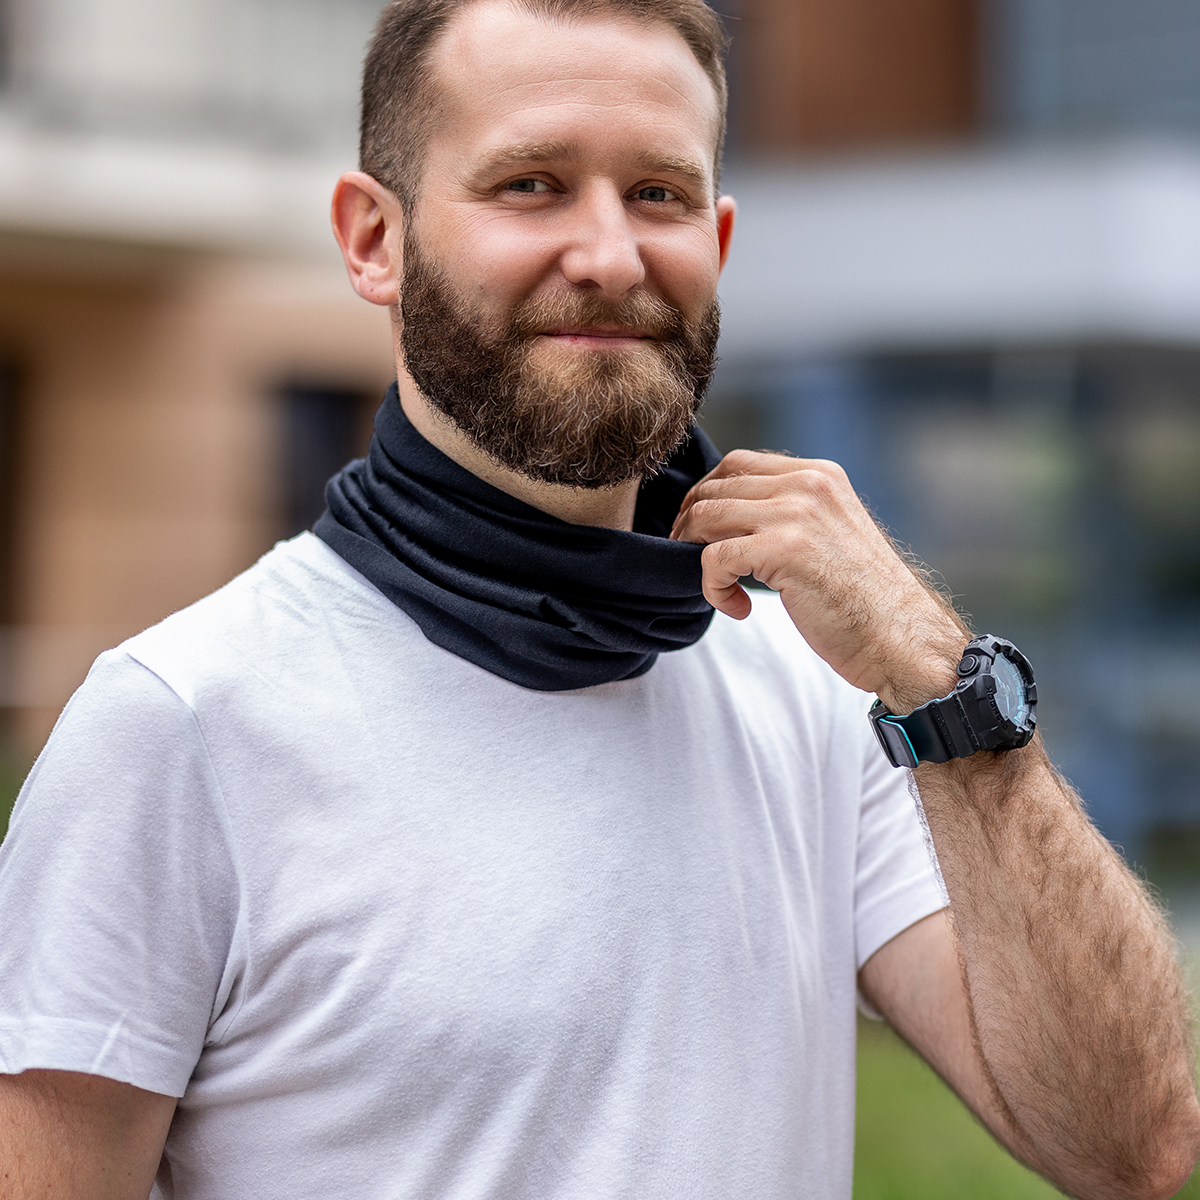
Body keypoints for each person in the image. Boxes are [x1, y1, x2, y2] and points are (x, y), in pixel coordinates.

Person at [1, 0, 1198, 1196]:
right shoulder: (182, 725)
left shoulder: (830, 695)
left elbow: (1133, 1148)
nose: (611, 257)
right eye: (530, 184)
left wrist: (939, 676)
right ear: (374, 240)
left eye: (658, 194)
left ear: (717, 241)